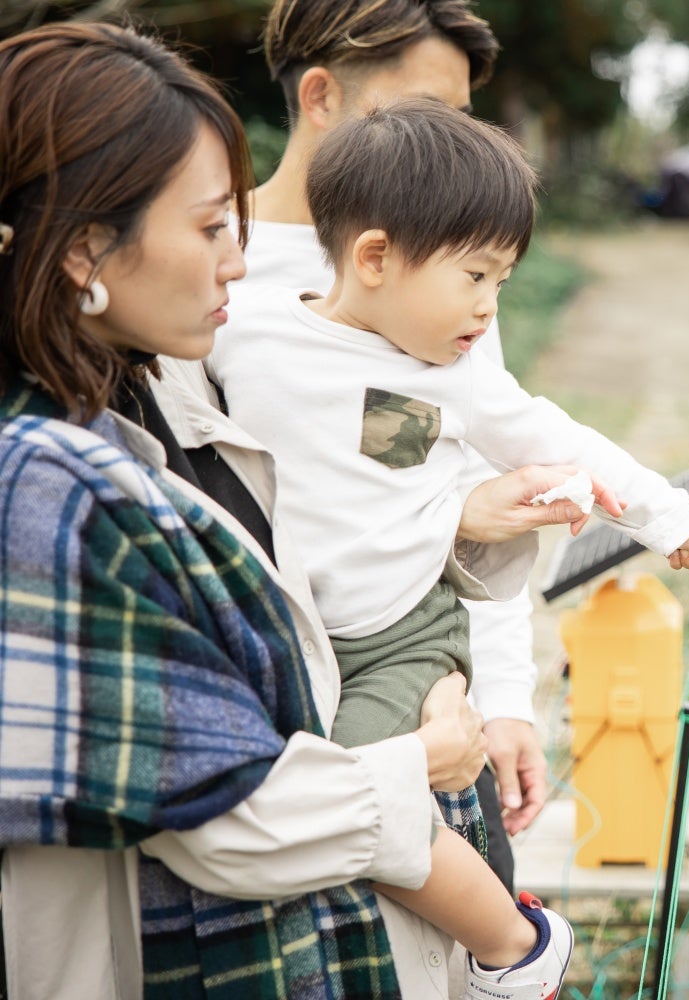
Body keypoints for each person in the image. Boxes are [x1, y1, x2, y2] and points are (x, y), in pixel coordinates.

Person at [0, 22, 585, 999]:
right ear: (84, 249)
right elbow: (236, 815)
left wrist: (446, 655)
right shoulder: (50, 483)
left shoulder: (166, 390)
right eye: (208, 227)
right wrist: (420, 756)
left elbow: (353, 534)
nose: (239, 257)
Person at [206, 96, 689, 995]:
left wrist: (670, 518)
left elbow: (562, 440)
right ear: (372, 258)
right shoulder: (241, 329)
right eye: (475, 277)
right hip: (299, 640)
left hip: (400, 637)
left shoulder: (455, 379)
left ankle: (512, 946)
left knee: (359, 797)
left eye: (502, 282)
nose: (488, 309)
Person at [218, 0, 554, 888]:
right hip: (282, 711)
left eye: (462, 121)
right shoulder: (210, 269)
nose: (447, 147)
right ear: (322, 95)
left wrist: (506, 699)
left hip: (425, 690)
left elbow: (484, 472)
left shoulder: (446, 265)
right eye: (425, 115)